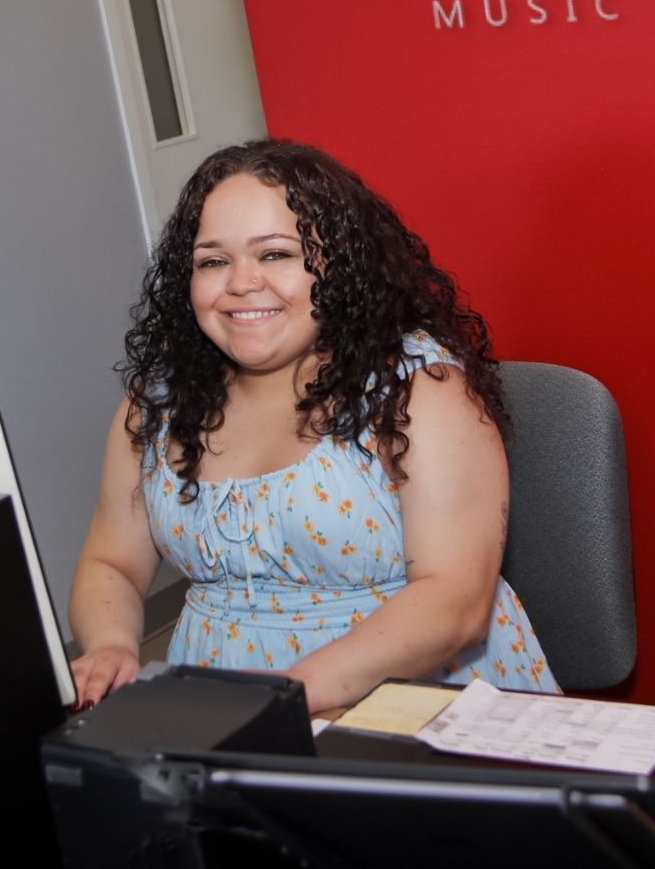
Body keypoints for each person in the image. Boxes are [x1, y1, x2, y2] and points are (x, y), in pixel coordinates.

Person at [68, 138, 559, 713]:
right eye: (213, 261)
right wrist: (109, 645)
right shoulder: (157, 404)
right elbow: (113, 564)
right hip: (222, 710)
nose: (241, 283)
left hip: (418, 699)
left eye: (276, 254)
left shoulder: (419, 390)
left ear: (339, 265)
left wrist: (283, 699)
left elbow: (455, 601)